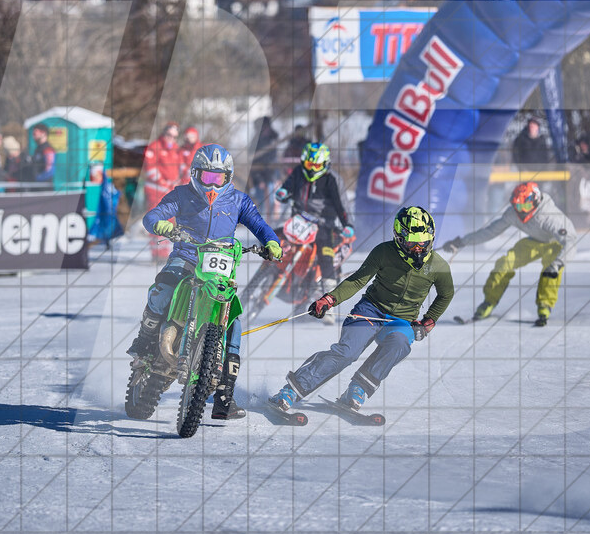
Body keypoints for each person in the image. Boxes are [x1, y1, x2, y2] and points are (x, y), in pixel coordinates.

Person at [130, 144, 282, 420]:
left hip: (220, 266)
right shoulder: (182, 195)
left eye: (218, 178)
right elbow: (152, 216)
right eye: (206, 177)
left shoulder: (239, 201)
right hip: (186, 257)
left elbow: (259, 225)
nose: (212, 184)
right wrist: (162, 225)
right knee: (163, 290)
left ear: (228, 177)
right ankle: (144, 342)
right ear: (195, 174)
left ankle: (225, 393)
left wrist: (271, 242)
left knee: (233, 318)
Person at [268, 206, 453, 414]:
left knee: (399, 343)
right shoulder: (383, 252)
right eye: (412, 242)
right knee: (347, 353)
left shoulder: (438, 266)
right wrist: (329, 299)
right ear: (399, 239)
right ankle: (291, 390)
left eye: (423, 242)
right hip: (370, 310)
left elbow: (446, 294)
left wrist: (429, 321)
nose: (418, 248)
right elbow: (357, 281)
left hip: (402, 321)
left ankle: (358, 389)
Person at [441, 181, 577, 327]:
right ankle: (489, 302)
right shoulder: (513, 213)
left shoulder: (550, 217)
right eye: (518, 206)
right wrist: (461, 242)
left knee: (550, 270)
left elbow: (570, 241)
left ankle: (544, 306)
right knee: (504, 263)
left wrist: (558, 263)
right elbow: (489, 232)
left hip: (556, 243)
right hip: (534, 242)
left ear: (535, 201)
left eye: (525, 206)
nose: (522, 211)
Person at [274, 142, 355, 307]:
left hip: (323, 226)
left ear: (324, 164)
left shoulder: (333, 179)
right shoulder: (298, 172)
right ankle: (269, 272)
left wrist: (348, 224)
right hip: (298, 220)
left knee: (325, 257)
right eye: (309, 164)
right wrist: (283, 192)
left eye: (316, 165)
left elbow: (342, 205)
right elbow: (287, 187)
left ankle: (329, 303)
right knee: (273, 237)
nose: (312, 169)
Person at [141, 122, 185, 261]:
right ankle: (156, 254)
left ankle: (164, 252)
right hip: (155, 191)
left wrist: (179, 182)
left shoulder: (176, 149)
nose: (171, 139)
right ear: (164, 133)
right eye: (169, 135)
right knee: (156, 220)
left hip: (169, 191)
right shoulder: (154, 147)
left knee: (169, 222)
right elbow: (150, 169)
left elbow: (181, 168)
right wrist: (163, 182)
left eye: (174, 137)